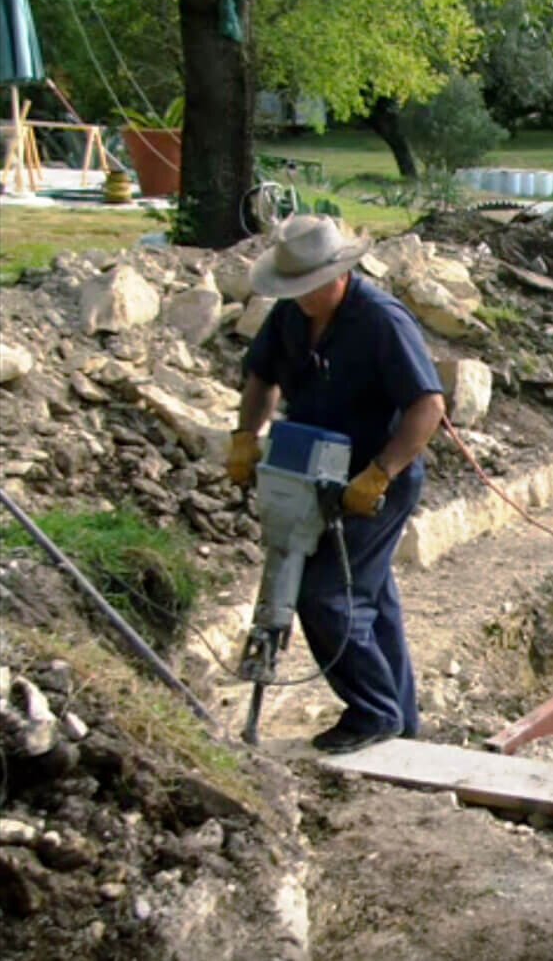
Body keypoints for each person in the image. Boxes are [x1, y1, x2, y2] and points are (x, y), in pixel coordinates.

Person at [227, 215, 446, 754]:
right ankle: (401, 718)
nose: (300, 298)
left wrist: (380, 474)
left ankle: (372, 713)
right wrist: (245, 435)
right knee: (368, 595)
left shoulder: (380, 321)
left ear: (339, 274)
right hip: (310, 468)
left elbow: (428, 407)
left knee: (327, 597)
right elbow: (262, 377)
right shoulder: (290, 316)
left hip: (376, 478)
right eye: (292, 289)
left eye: (308, 288)